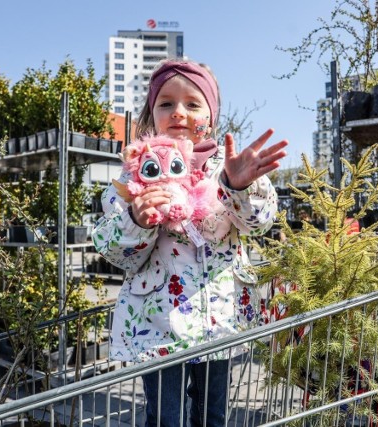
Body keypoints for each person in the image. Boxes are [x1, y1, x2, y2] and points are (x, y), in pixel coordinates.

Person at [92, 58, 288, 427]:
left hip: (222, 317)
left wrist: (238, 188)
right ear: (152, 114)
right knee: (166, 418)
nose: (179, 112)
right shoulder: (135, 174)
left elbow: (260, 225)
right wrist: (136, 219)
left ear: (210, 117)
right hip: (157, 323)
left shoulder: (230, 167)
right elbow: (114, 251)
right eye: (166, 103)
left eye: (193, 104)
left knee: (212, 417)